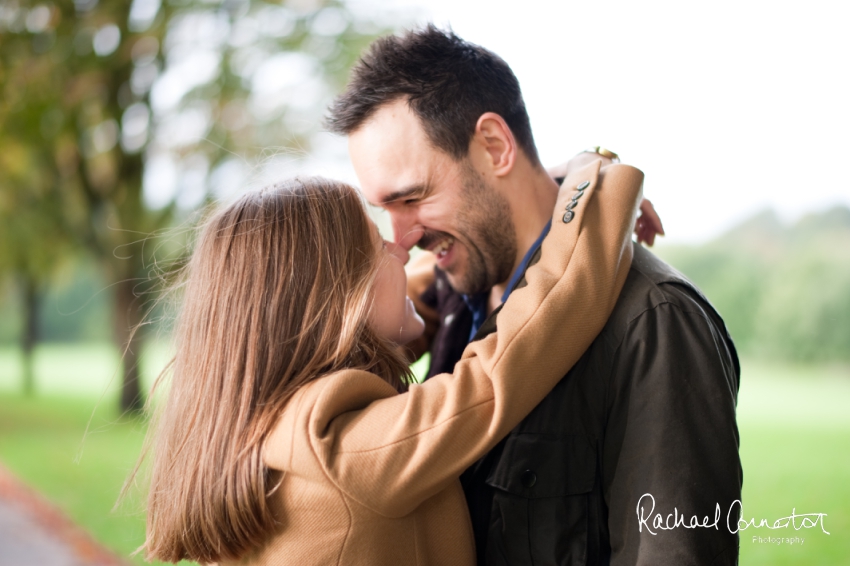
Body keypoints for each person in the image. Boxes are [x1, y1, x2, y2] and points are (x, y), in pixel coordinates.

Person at [327, 26, 742, 565]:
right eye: (385, 207)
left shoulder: (653, 322)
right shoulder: (453, 296)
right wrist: (582, 178)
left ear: (495, 146)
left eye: (412, 197)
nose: (402, 238)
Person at [134, 174, 641, 565]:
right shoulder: (346, 448)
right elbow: (543, 323)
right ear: (337, 298)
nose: (402, 246)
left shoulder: (270, 426)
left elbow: (399, 304)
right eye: (378, 243)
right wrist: (589, 178)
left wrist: (501, 205)